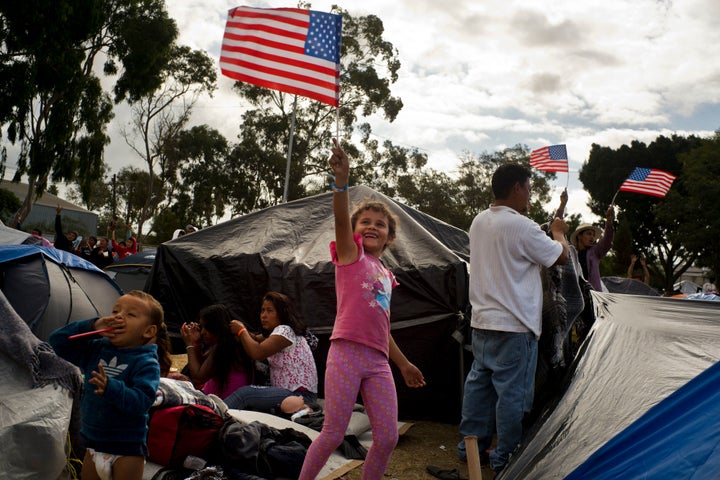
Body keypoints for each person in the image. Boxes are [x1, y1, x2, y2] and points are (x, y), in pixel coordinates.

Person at [299, 139, 426, 480]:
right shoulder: (350, 257)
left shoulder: (386, 275)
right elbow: (340, 219)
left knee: (387, 437)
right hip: (346, 354)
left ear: (388, 239)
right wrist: (341, 183)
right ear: (354, 233)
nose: (371, 226)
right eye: (364, 222)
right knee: (333, 433)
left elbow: (383, 329)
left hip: (378, 362)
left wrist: (403, 363)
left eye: (379, 224)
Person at [457, 163, 568, 475]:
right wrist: (559, 234)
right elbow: (560, 256)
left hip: (482, 323)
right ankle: (505, 457)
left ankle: (470, 448)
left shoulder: (479, 222)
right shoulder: (522, 226)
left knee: (479, 388)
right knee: (512, 395)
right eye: (529, 189)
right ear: (518, 187)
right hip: (515, 326)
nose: (530, 196)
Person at [48, 290, 165, 480]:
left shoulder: (145, 362)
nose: (118, 316)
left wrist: (112, 388)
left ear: (148, 331)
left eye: (130, 314)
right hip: (93, 446)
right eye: (115, 311)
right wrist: (92, 324)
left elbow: (142, 401)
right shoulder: (96, 349)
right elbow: (57, 342)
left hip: (126, 449)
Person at [224, 291, 318, 415]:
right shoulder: (280, 333)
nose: (263, 315)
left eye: (269, 311)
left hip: (299, 396)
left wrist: (241, 330)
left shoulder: (285, 330)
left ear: (282, 314)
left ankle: (213, 414)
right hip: (291, 394)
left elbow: (257, 352)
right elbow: (255, 339)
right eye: (262, 310)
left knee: (244, 394)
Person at [180, 304, 253, 399]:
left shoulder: (226, 347)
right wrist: (196, 343)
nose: (202, 332)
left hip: (228, 403)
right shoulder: (225, 343)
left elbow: (198, 378)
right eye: (201, 327)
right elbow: (201, 365)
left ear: (216, 327)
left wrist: (189, 345)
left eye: (207, 328)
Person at [569, 205, 615, 292]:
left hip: (594, 297)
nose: (592, 238)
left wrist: (609, 222)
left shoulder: (595, 251)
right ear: (579, 236)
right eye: (589, 234)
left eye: (593, 235)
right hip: (575, 296)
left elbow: (607, 241)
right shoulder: (571, 253)